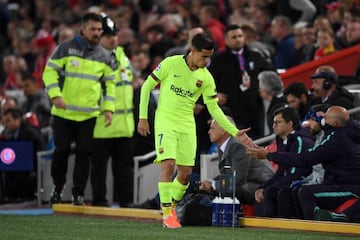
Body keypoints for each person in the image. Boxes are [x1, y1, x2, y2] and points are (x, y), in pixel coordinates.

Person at [138, 33, 252, 228]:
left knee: (185, 174)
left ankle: (171, 207)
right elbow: (147, 86)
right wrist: (143, 117)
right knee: (168, 165)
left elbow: (214, 108)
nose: (207, 61)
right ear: (193, 51)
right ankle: (167, 214)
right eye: (204, 56)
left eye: (209, 57)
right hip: (165, 121)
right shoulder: (170, 63)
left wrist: (234, 132)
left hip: (187, 126)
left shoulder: (206, 77)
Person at [42, 13, 116, 206]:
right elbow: (49, 72)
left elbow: (110, 86)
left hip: (88, 114)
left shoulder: (105, 56)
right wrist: (55, 95)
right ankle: (58, 188)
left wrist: (108, 108)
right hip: (63, 113)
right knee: (62, 150)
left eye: (100, 30)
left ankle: (78, 194)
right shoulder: (66, 48)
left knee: (84, 153)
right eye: (93, 29)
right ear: (83, 29)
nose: (97, 33)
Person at [248, 106, 360, 220]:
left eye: (326, 118)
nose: (322, 120)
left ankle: (316, 227)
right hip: (336, 183)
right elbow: (341, 121)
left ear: (333, 123)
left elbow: (305, 159)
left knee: (305, 192)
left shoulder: (337, 140)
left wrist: (269, 155)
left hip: (348, 187)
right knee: (296, 190)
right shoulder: (348, 129)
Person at [90, 15, 135, 207]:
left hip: (125, 126)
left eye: (114, 34)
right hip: (102, 125)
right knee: (99, 169)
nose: (113, 39)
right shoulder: (92, 58)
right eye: (108, 35)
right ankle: (100, 203)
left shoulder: (122, 56)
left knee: (124, 169)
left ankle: (126, 203)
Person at [208, 24, 274, 139]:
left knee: (260, 142)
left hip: (255, 111)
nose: (238, 40)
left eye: (240, 36)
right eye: (234, 37)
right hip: (233, 113)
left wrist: (264, 88)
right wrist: (215, 95)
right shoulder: (219, 60)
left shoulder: (254, 55)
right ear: (226, 40)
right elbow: (207, 83)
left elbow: (271, 74)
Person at [199, 115, 275, 205]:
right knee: (205, 192)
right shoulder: (223, 146)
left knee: (222, 192)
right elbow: (227, 174)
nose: (209, 132)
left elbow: (237, 179)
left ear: (223, 130)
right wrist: (210, 182)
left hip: (260, 184)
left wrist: (213, 186)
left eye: (212, 128)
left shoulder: (237, 145)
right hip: (247, 182)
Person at [253, 107, 313, 217]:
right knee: (260, 191)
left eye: (278, 122)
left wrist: (268, 189)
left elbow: (296, 172)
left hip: (303, 181)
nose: (273, 126)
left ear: (290, 124)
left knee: (274, 193)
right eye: (273, 122)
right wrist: (263, 187)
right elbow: (281, 171)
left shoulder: (300, 140)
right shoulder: (282, 141)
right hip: (289, 181)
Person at [1, 108, 46, 201]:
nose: (6, 124)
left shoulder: (29, 133)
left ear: (18, 120)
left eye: (8, 121)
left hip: (31, 169)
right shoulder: (7, 133)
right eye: (4, 122)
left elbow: (38, 152)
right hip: (17, 167)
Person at [258, 71, 288, 135]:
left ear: (266, 90)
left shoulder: (276, 109)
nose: (259, 91)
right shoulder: (285, 99)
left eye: (260, 88)